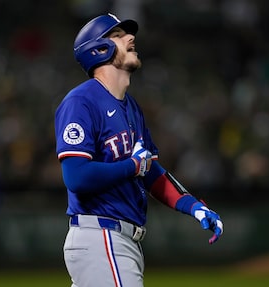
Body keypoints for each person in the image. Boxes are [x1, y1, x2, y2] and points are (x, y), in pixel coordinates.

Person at [54, 13, 224, 287]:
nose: (131, 38)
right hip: (102, 237)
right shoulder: (81, 102)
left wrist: (193, 206)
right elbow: (76, 176)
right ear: (99, 49)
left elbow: (151, 172)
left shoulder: (131, 107)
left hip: (119, 241)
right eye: (119, 35)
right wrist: (132, 166)